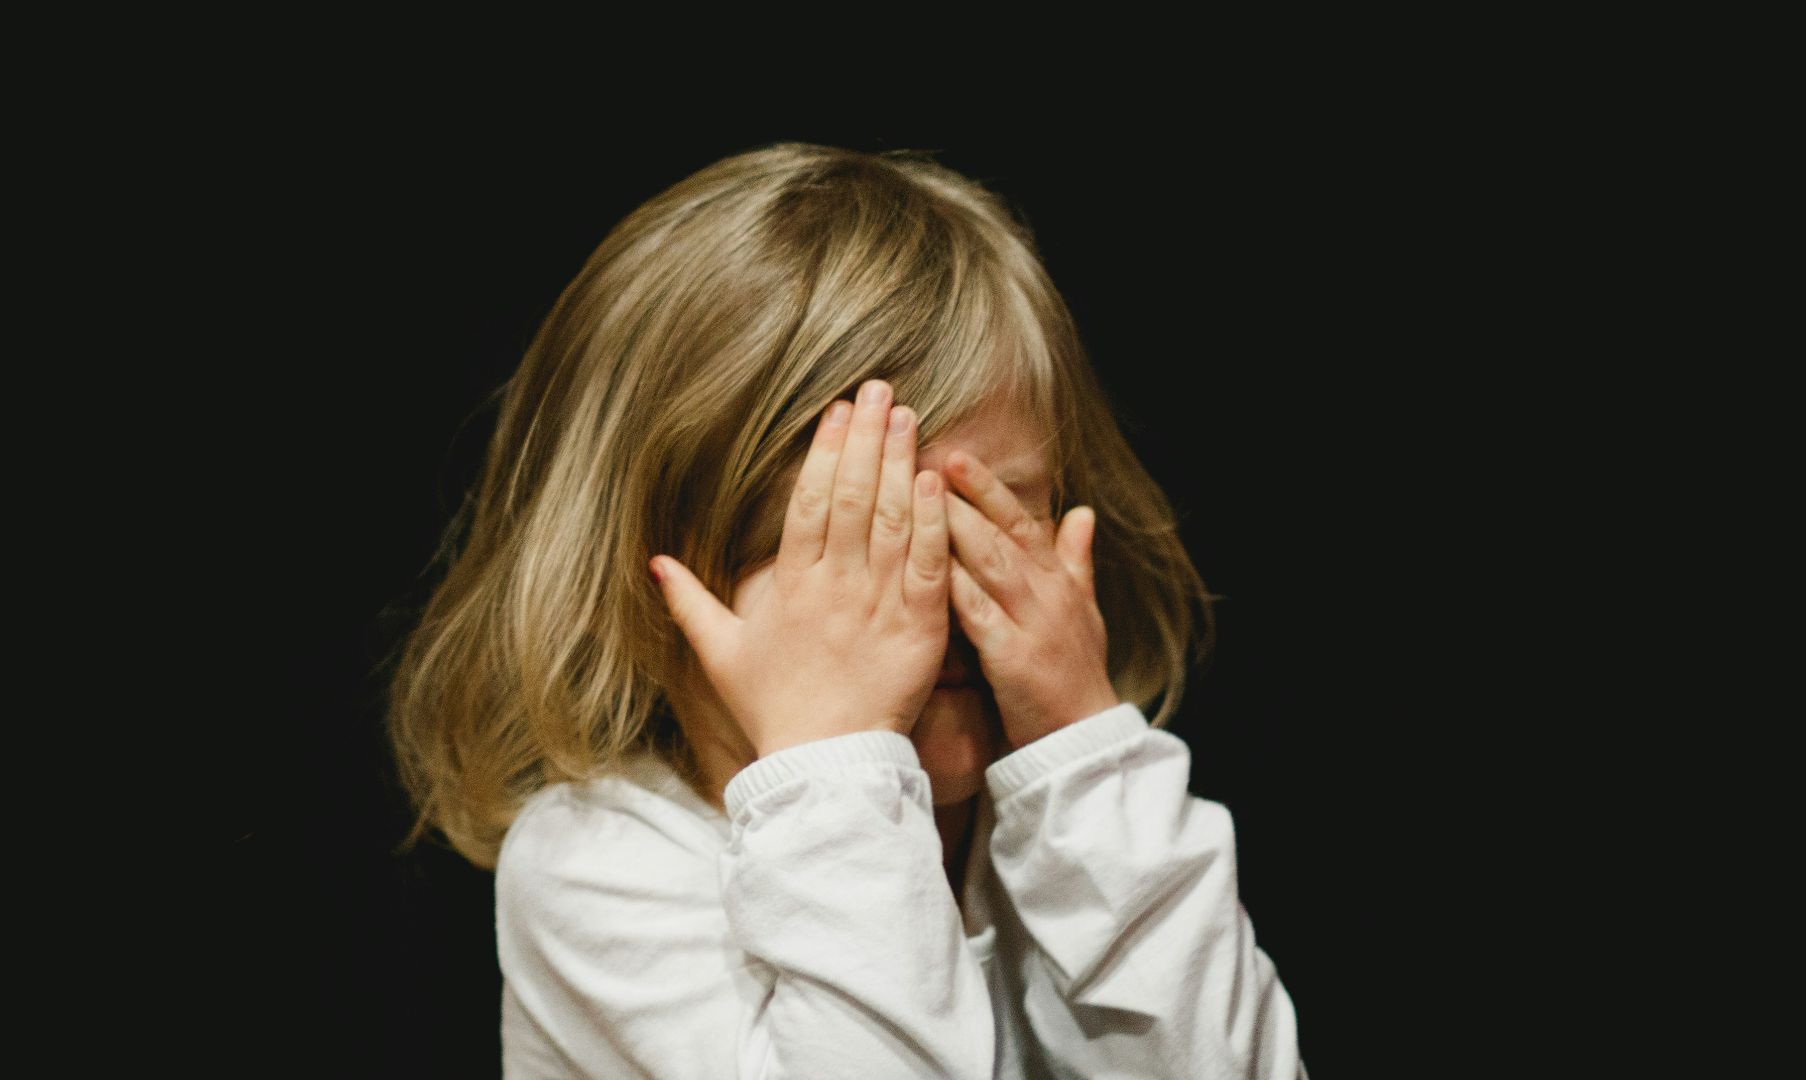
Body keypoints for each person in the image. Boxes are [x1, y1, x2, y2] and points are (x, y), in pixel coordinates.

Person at [384, 141, 1307, 1078]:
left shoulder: (1085, 834)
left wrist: (1086, 759)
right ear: (653, 578)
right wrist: (834, 764)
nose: (928, 595)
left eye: (990, 520)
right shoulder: (599, 863)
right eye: (856, 543)